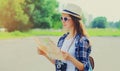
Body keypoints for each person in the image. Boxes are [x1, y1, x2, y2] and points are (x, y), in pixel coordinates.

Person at [37, 3, 92, 71]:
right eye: (61, 18)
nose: (63, 21)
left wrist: (70, 58)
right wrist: (45, 53)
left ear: (74, 20)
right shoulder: (62, 39)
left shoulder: (82, 40)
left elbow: (85, 68)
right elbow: (58, 63)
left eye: (66, 19)